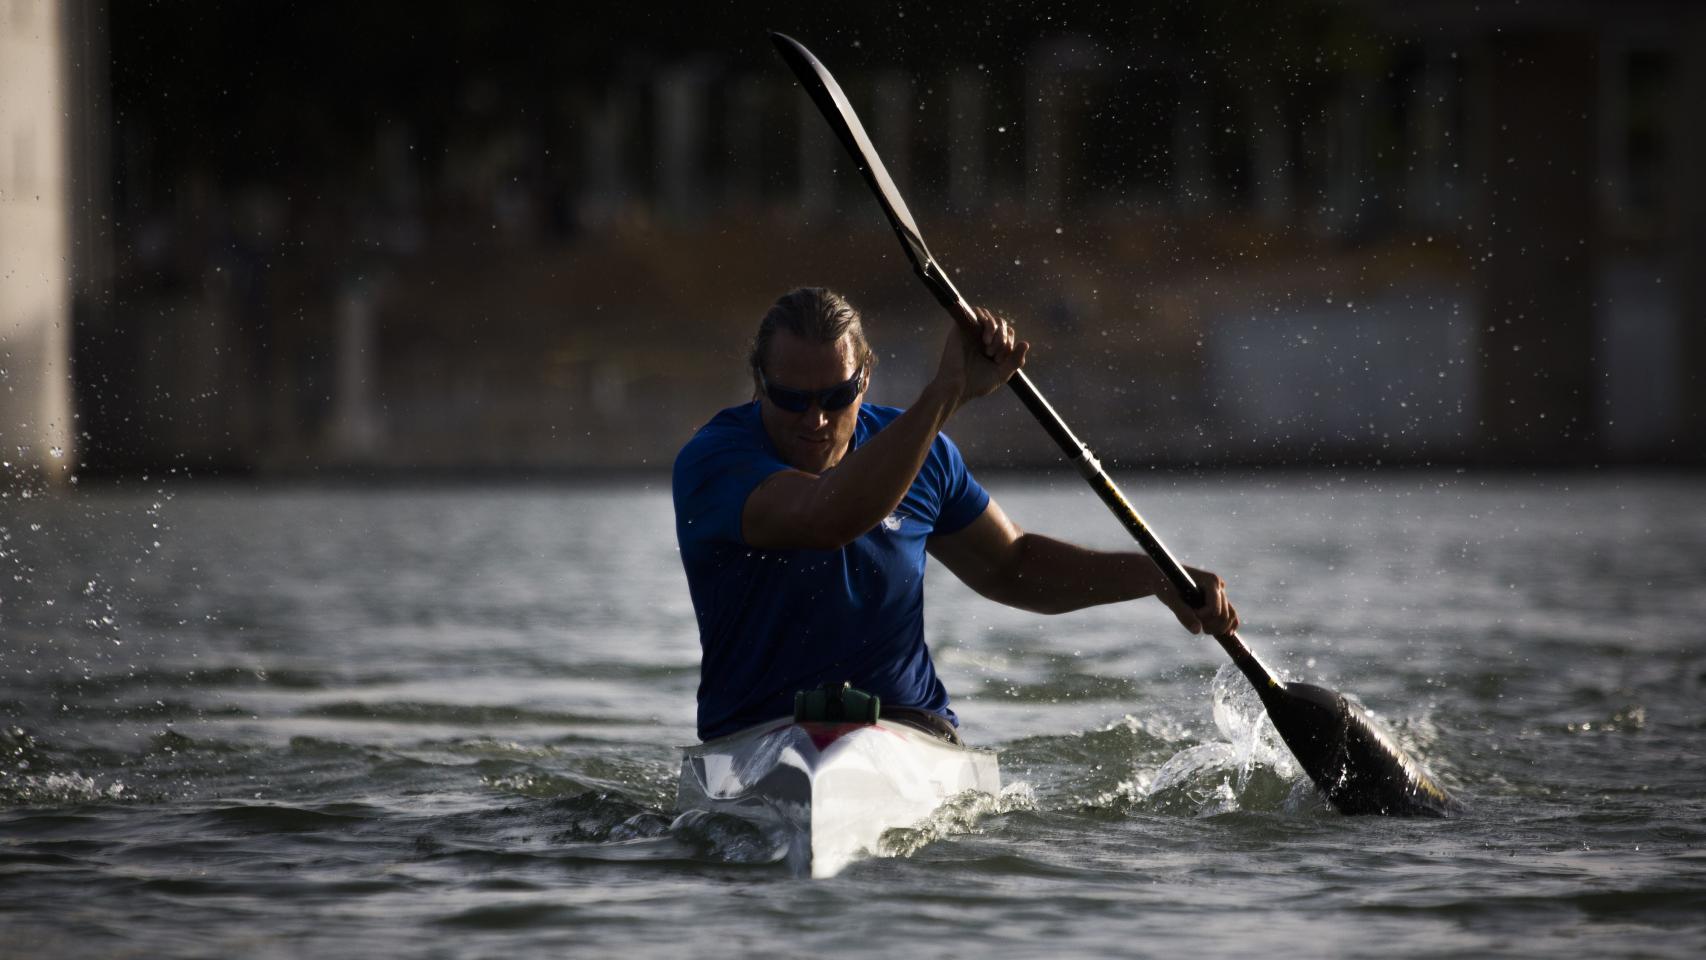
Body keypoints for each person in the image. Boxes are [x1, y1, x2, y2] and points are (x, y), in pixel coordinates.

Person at [672, 287, 1238, 743]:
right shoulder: (716, 463)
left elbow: (1011, 565)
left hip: (907, 728)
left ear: (864, 378)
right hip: (752, 736)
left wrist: (1157, 575)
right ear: (759, 383)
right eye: (792, 399)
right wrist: (947, 393)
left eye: (836, 396)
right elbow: (828, 519)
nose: (815, 420)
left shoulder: (924, 454)